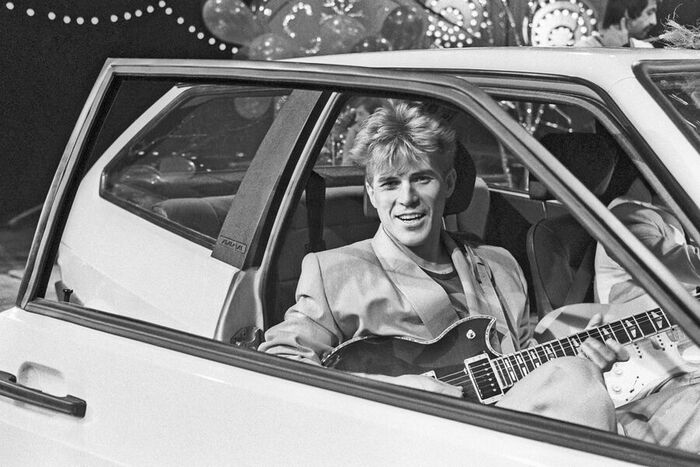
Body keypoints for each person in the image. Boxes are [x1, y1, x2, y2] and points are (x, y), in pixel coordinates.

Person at [260, 100, 628, 431]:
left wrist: (580, 356)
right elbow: (280, 366)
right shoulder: (334, 271)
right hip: (411, 440)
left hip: (505, 427)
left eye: (422, 178)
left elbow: (516, 357)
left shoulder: (501, 265)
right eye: (390, 183)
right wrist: (396, 391)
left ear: (449, 183)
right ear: (371, 192)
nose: (407, 198)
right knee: (572, 377)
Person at [574, 0, 657, 47]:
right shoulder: (583, 48)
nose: (654, 22)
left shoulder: (645, 48)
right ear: (628, 13)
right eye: (649, 13)